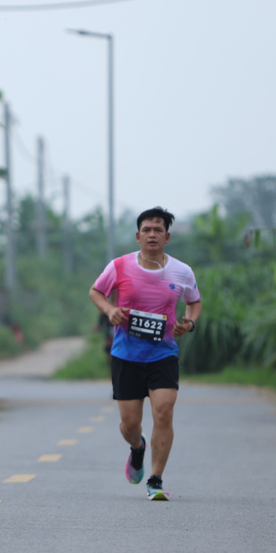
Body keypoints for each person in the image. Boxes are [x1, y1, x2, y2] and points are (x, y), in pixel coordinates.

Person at [88, 207, 201, 501]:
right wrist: (111, 310)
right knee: (129, 424)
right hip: (126, 354)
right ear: (138, 236)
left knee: (163, 412)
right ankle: (137, 448)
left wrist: (188, 323)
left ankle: (155, 479)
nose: (153, 234)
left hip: (163, 354)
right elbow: (96, 292)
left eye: (158, 230)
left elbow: (194, 303)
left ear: (167, 237)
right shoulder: (119, 266)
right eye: (147, 229)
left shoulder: (182, 271)